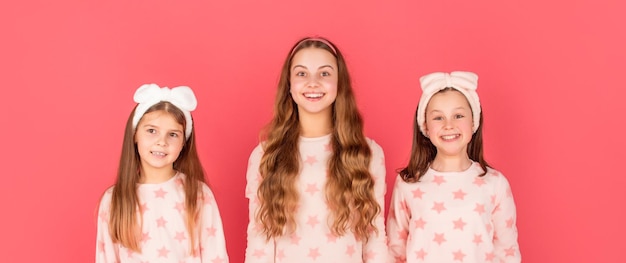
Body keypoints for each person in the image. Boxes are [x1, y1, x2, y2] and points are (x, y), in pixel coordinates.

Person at [244, 37, 389, 263]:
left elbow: (374, 235)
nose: (313, 82)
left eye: (324, 73)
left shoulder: (368, 153)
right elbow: (260, 237)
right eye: (302, 73)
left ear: (339, 83)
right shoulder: (265, 155)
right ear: (289, 85)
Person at [387, 71, 521, 262]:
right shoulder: (408, 184)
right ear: (425, 126)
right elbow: (395, 251)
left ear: (473, 121)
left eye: (458, 115)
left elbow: (507, 252)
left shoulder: (495, 183)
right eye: (438, 118)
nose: (449, 125)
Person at [95, 84, 229, 263]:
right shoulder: (113, 200)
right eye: (151, 131)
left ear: (183, 143)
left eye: (172, 134)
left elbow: (215, 257)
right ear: (135, 135)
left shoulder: (198, 194)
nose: (161, 142)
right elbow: (106, 258)